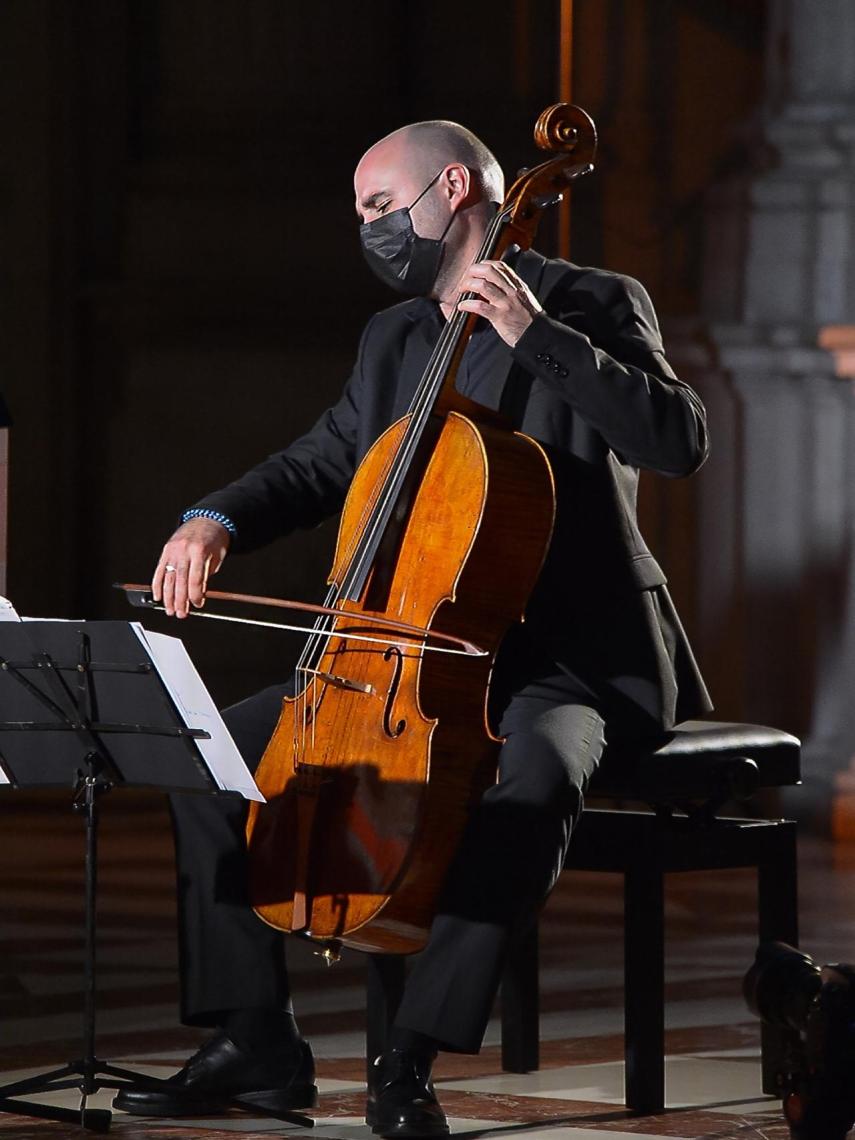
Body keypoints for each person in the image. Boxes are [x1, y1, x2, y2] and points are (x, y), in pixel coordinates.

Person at [113, 119, 711, 1135]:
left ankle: (412, 1057)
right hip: (411, 657)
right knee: (202, 755)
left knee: (533, 774)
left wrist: (539, 339)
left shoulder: (591, 302)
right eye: (362, 217)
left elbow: (676, 439)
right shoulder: (395, 339)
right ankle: (257, 1040)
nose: (372, 231)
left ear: (452, 190)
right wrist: (213, 519)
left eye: (381, 208)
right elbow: (323, 459)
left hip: (570, 664)